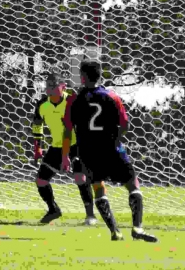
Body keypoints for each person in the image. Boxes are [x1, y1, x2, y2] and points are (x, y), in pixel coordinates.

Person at [61, 60, 158, 242]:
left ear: (82, 77)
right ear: (99, 75)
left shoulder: (74, 100)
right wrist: (115, 138)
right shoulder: (113, 97)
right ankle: (137, 227)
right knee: (133, 184)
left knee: (99, 188)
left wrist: (66, 156)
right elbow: (125, 125)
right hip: (113, 149)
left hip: (88, 153)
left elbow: (67, 129)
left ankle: (115, 231)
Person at [31, 72, 96, 225]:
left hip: (77, 145)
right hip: (57, 146)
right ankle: (53, 209)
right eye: (48, 86)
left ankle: (90, 215)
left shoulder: (73, 102)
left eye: (54, 86)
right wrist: (37, 148)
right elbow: (37, 125)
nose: (50, 89)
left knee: (80, 177)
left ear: (63, 87)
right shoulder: (42, 104)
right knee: (41, 181)